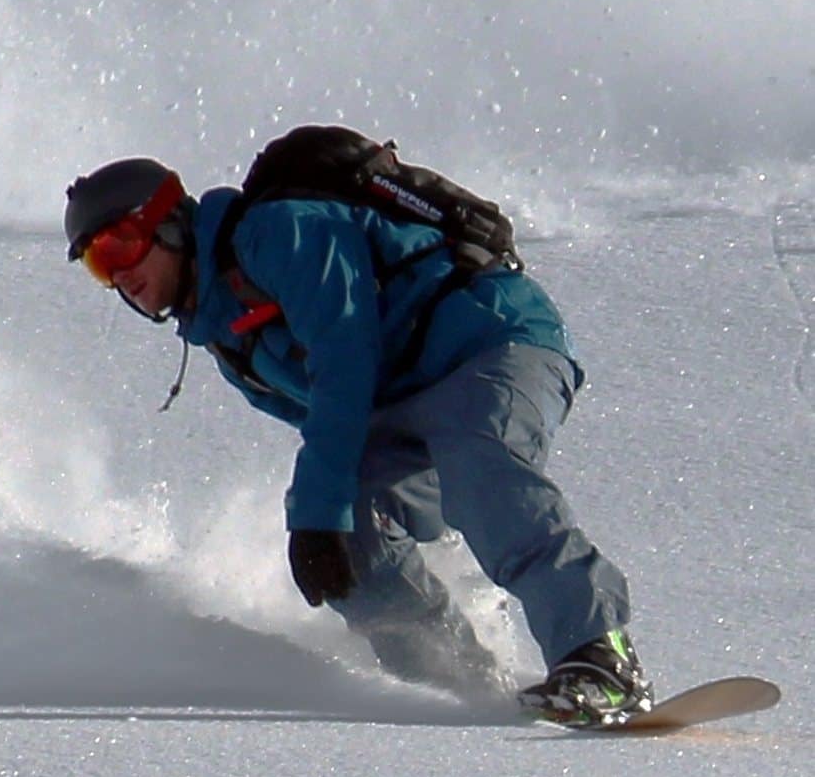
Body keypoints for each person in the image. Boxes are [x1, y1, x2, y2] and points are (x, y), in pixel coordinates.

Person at [64, 153, 652, 725]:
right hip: (401, 407)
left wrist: (317, 511)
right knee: (353, 540)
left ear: (167, 223)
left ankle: (600, 658)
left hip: (488, 343)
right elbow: (333, 427)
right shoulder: (228, 344)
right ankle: (458, 681)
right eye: (97, 266)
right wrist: (336, 520)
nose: (117, 276)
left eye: (119, 246)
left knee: (479, 465)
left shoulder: (278, 232)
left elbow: (344, 361)